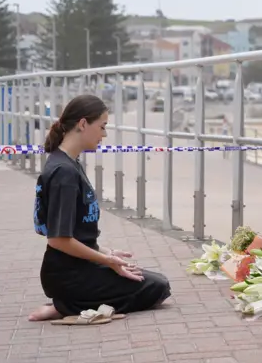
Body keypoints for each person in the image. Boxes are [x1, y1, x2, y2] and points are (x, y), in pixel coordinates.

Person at [29, 94, 171, 323]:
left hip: (79, 267)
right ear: (83, 124)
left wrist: (106, 253)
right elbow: (58, 239)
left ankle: (69, 302)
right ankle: (65, 304)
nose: (104, 135)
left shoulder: (69, 164)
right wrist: (107, 262)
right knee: (157, 287)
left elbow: (76, 234)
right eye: (102, 127)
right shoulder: (63, 172)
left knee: (153, 280)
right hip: (68, 275)